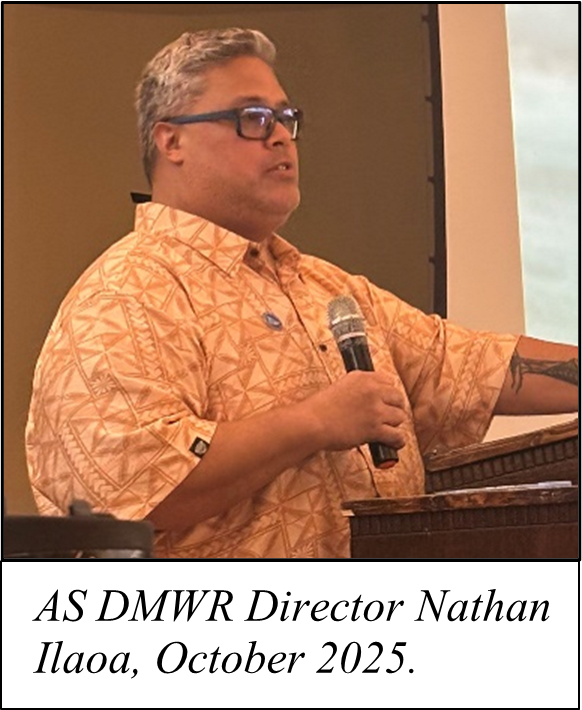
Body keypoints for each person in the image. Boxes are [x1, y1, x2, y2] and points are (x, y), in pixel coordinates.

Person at [25, 28, 578, 559]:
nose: (280, 136)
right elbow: (135, 490)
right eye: (251, 118)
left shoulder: (323, 286)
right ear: (172, 141)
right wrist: (315, 422)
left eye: (286, 118)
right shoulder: (124, 294)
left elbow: (469, 365)